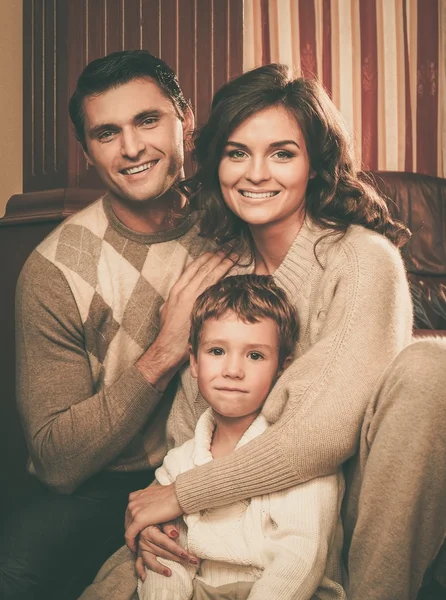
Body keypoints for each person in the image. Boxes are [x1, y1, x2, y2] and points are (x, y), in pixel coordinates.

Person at [100, 64, 444, 600]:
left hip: (334, 507)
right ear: (217, 163)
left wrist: (182, 494)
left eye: (283, 153)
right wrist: (157, 511)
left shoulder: (360, 260)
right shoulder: (216, 269)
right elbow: (190, 424)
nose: (256, 174)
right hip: (220, 513)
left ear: (315, 164)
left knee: (434, 366)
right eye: (238, 153)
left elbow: (325, 434)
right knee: (121, 579)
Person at [0, 50, 236, 600]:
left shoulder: (235, 221)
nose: (131, 148)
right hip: (103, 482)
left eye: (148, 121)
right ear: (86, 151)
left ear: (186, 119)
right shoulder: (54, 269)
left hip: (217, 462)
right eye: (107, 133)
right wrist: (165, 349)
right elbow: (56, 460)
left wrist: (185, 491)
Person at [138, 274, 345, 600]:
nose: (233, 370)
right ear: (193, 361)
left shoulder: (297, 457)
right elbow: (168, 559)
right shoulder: (180, 462)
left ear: (282, 368)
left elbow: (301, 557)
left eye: (255, 356)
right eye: (217, 351)